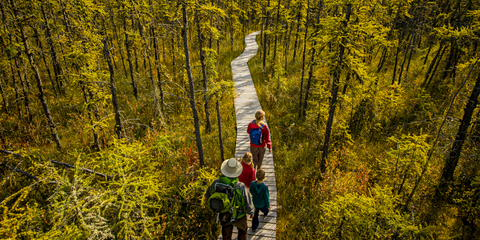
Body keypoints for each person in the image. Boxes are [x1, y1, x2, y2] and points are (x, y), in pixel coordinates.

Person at [205, 158, 254, 240]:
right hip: (239, 216)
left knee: (226, 235)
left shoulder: (216, 183)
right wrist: (251, 212)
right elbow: (247, 201)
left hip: (224, 214)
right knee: (243, 231)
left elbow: (207, 196)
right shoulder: (241, 186)